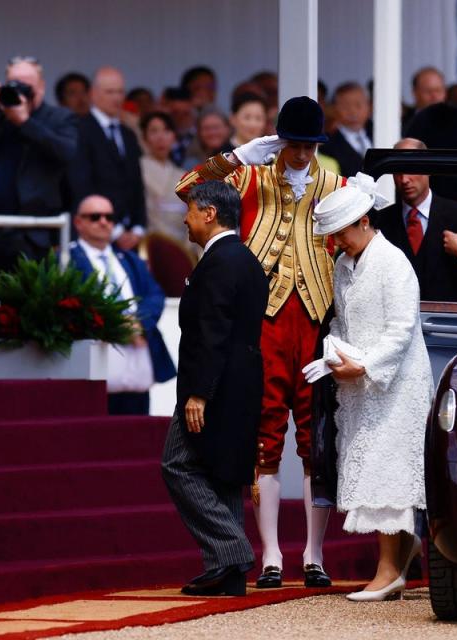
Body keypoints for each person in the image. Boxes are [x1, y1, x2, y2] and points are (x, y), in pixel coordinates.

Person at [175, 96, 343, 590]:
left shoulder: (336, 187)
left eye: (308, 144)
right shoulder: (249, 176)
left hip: (316, 320)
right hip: (264, 320)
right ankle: (271, 554)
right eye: (292, 143)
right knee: (265, 434)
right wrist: (234, 156)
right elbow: (188, 189)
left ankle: (313, 554)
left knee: (316, 439)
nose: (299, 153)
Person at [308, 175, 432, 602]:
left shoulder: (393, 261)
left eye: (341, 232)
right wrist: (334, 354)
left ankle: (388, 571)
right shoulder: (345, 265)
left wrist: (363, 365)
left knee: (388, 470)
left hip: (397, 382)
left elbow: (402, 329)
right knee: (369, 466)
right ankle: (398, 558)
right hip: (360, 380)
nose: (337, 242)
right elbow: (341, 321)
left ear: (363, 222)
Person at [161, 180, 268, 596]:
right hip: (239, 385)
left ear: (209, 214)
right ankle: (228, 575)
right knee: (222, 473)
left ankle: (232, 552)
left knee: (178, 464)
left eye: (189, 210)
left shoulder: (221, 261)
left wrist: (199, 392)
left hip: (214, 387)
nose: (184, 219)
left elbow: (213, 332)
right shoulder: (243, 259)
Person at [0, 56, 78, 272]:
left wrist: (25, 122)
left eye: (26, 84)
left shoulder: (59, 118)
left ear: (41, 87)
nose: (20, 90)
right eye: (14, 83)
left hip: (35, 233)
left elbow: (66, 152)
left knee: (33, 302)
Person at [69, 194, 175, 414]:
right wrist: (117, 324)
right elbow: (70, 303)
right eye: (95, 216)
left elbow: (155, 295)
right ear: (78, 222)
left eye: (109, 217)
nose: (104, 222)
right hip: (95, 361)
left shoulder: (129, 259)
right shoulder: (66, 259)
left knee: (137, 433)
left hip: (136, 361)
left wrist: (138, 322)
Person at [376, 138, 457, 302]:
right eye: (398, 171)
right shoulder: (382, 221)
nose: (404, 179)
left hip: (446, 325)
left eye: (411, 169)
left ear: (428, 168)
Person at [69, 66, 147, 251]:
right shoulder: (79, 130)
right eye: (110, 92)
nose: (117, 98)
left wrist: (138, 227)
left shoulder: (128, 134)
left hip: (130, 237)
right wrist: (116, 230)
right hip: (95, 231)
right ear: (93, 94)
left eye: (120, 92)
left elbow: (137, 185)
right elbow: (81, 184)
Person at [139, 112, 192, 256]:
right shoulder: (137, 169)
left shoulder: (183, 175)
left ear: (174, 137)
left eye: (166, 131)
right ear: (144, 138)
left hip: (180, 247)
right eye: (154, 131)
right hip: (149, 245)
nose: (160, 137)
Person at [321, 82, 372, 178]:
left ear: (369, 106)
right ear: (333, 108)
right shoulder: (327, 143)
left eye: (358, 105)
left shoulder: (380, 131)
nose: (352, 111)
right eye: (346, 106)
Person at [401, 66, 446, 134]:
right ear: (415, 93)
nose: (434, 96)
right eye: (428, 91)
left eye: (438, 90)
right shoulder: (402, 123)